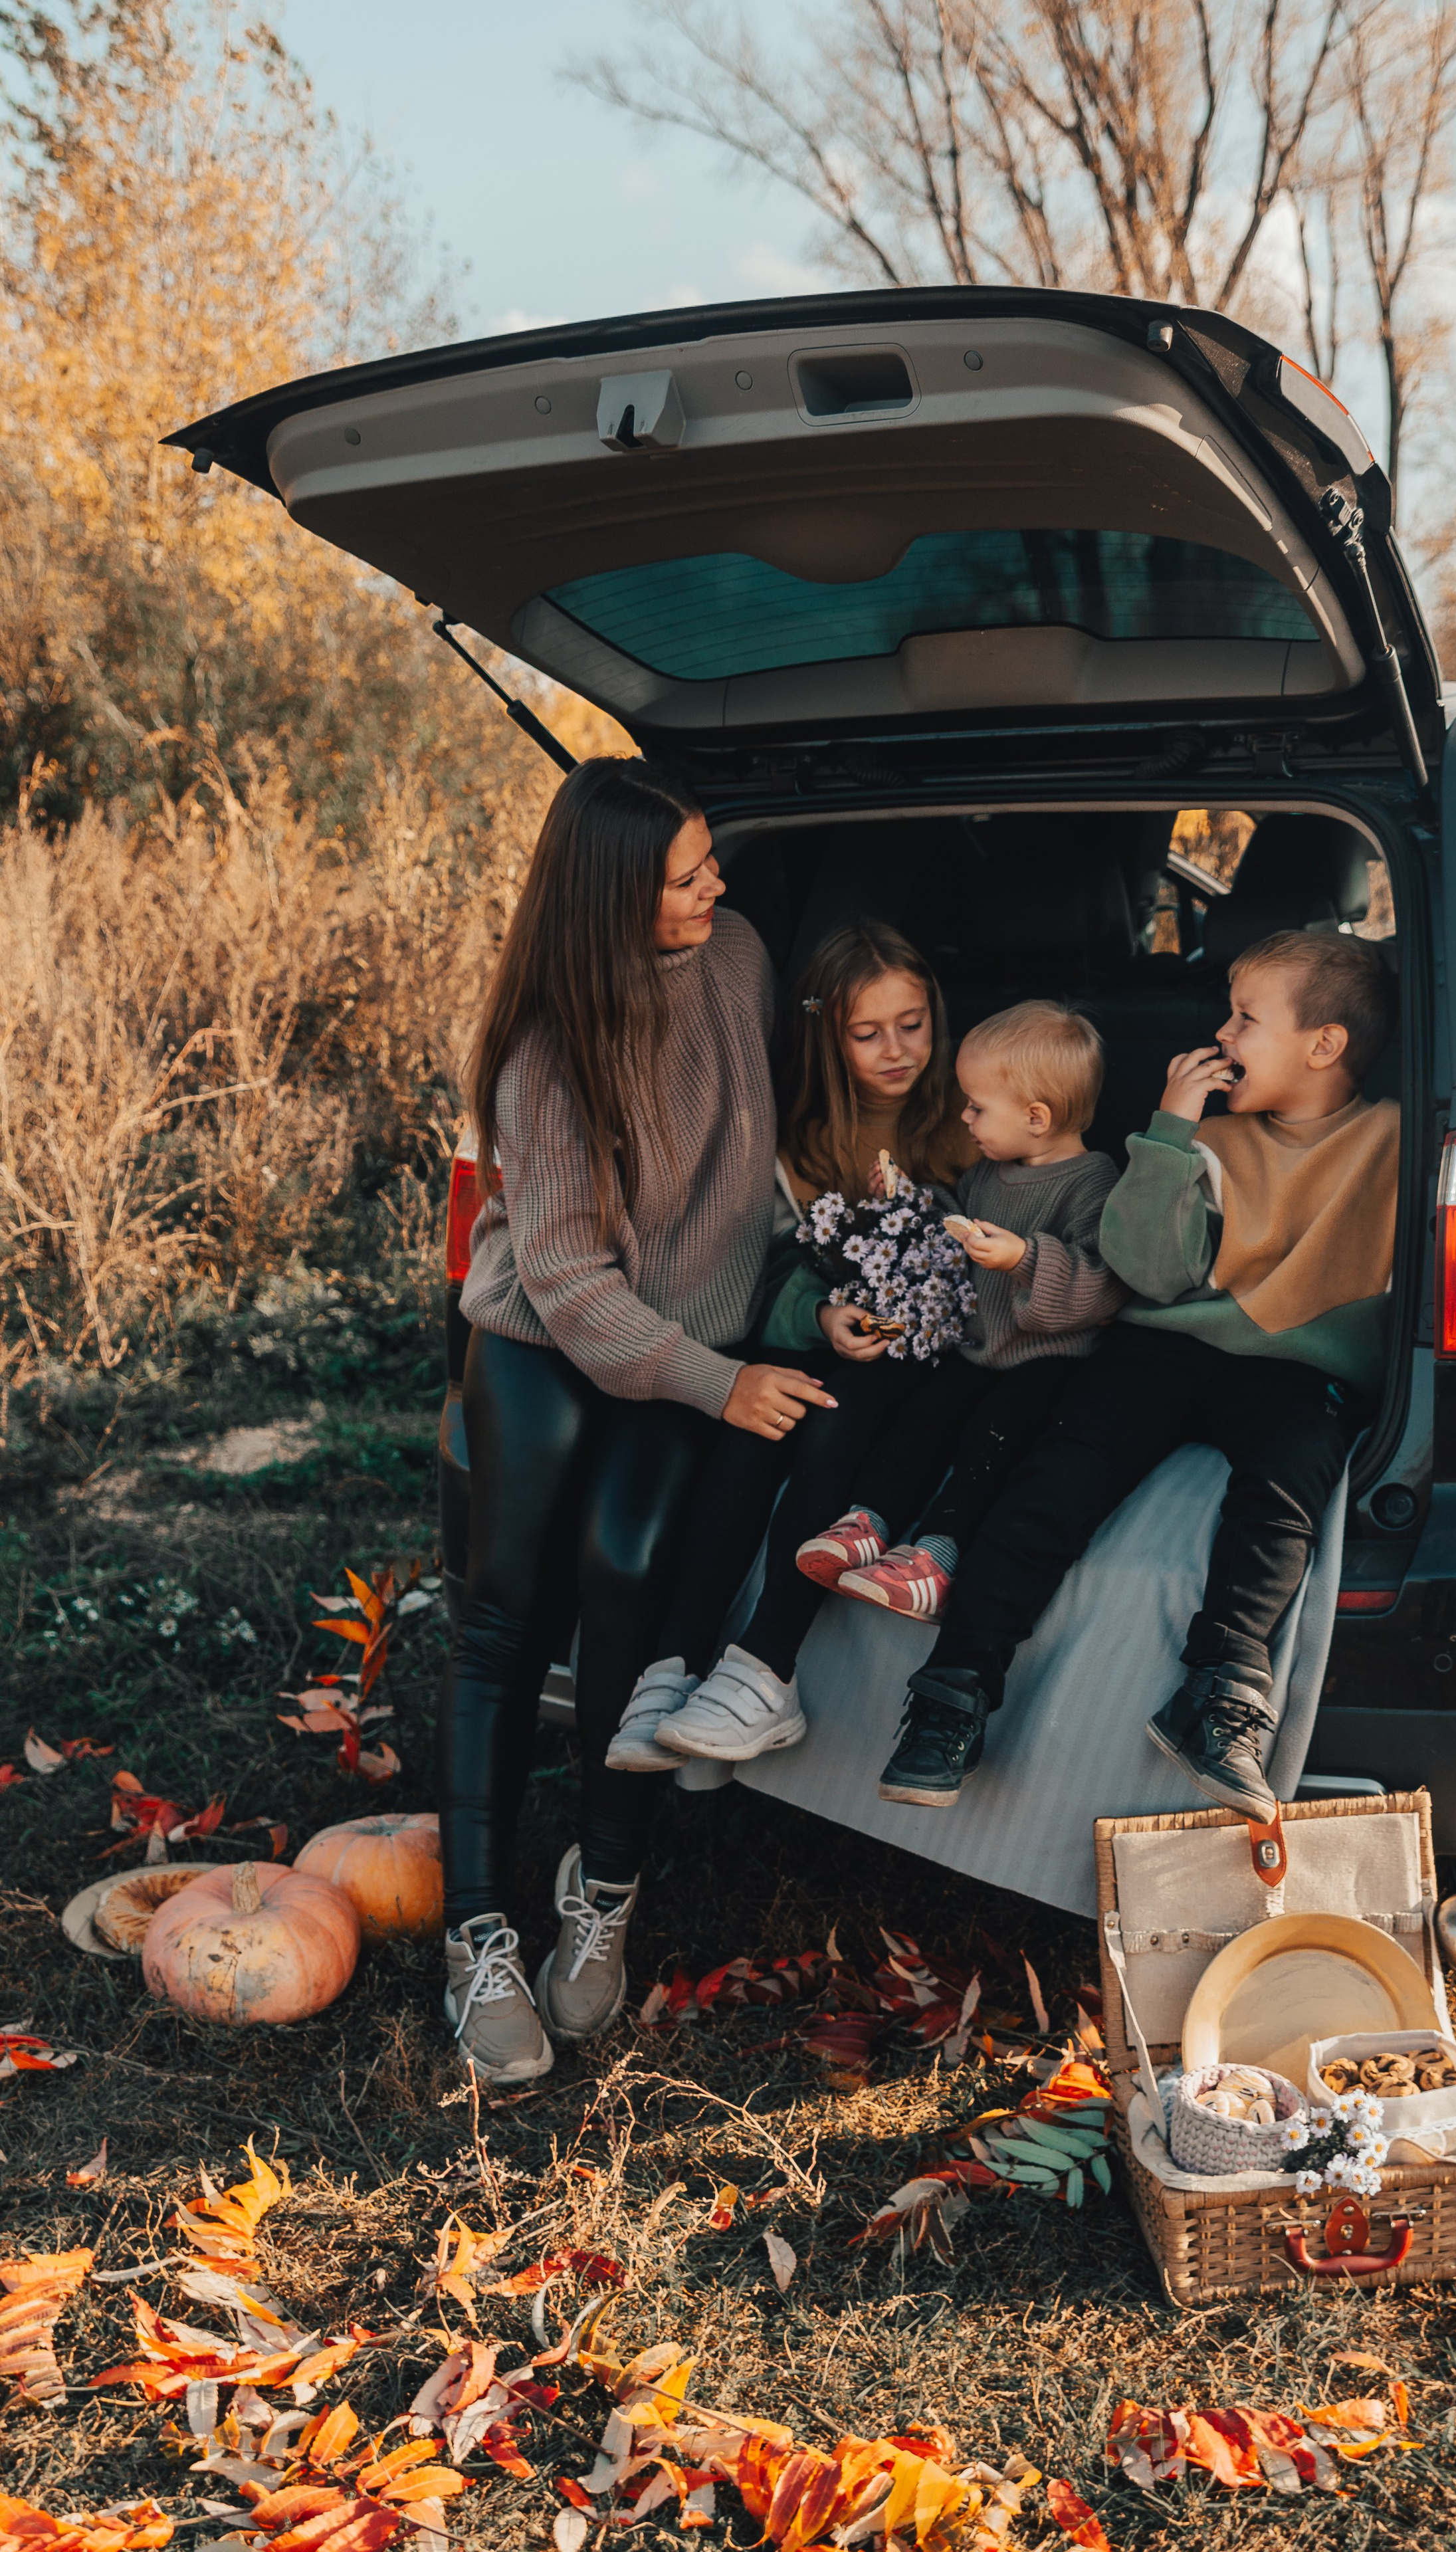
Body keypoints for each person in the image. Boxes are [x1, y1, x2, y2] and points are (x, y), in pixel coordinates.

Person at [439, 756, 838, 2084]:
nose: (717, 883)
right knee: (503, 1611)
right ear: (615, 897)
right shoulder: (551, 1046)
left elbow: (771, 1137)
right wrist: (720, 1385)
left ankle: (600, 1884)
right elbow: (560, 1277)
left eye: (709, 859)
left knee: (629, 1584)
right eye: (687, 873)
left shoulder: (733, 956)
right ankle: (475, 1930)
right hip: (549, 1341)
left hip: (690, 1333)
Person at [884, 928, 1400, 1817]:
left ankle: (1224, 1690)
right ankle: (953, 1691)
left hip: (1292, 1367)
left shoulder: (1392, 1135)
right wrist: (1169, 1132)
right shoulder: (1211, 1142)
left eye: (1246, 1019)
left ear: (1325, 1046)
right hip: (1166, 1340)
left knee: (1284, 1489)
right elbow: (1150, 1271)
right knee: (1060, 1475)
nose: (1223, 1036)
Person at [609, 922, 975, 1772]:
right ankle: (676, 1664)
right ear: (825, 1035)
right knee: (761, 1414)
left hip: (945, 1362)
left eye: (912, 1023)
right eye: (867, 1032)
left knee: (830, 1412)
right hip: (842, 1347)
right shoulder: (795, 1143)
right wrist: (821, 1319)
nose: (897, 1050)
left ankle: (764, 1670)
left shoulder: (967, 1122)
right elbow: (772, 1271)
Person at [793, 1002, 1126, 1667]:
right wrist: (911, 1201)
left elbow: (1104, 1283)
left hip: (1048, 1361)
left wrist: (1025, 1259)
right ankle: (870, 1522)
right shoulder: (986, 1173)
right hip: (976, 1350)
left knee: (990, 1442)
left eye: (977, 1108)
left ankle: (936, 1560)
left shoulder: (1094, 1182)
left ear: (1037, 1118)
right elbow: (954, 1222)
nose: (964, 1119)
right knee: (924, 1417)